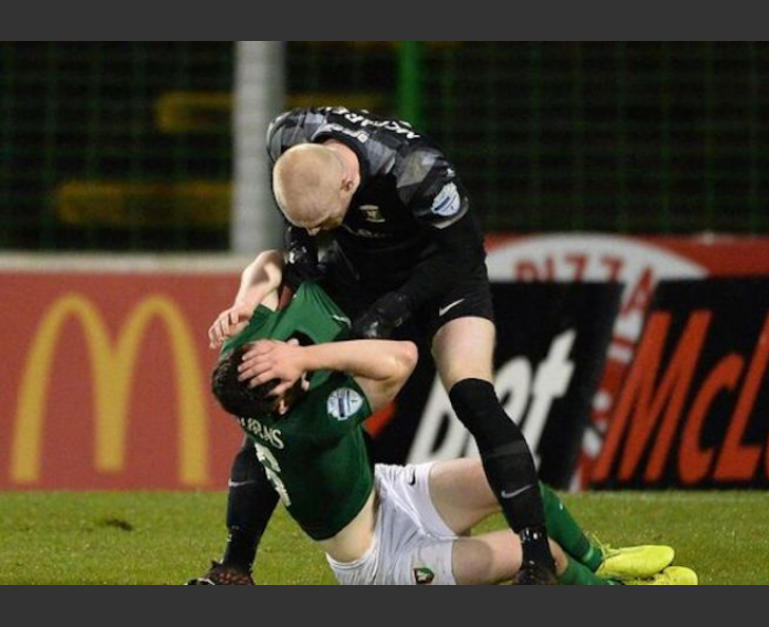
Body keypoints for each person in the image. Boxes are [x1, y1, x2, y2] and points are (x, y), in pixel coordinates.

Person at [198, 105, 672, 585]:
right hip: (364, 273)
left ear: (347, 183)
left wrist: (391, 309)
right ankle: (236, 565)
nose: (315, 233)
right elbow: (386, 351)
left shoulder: (416, 169)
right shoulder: (288, 136)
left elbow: (459, 253)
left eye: (322, 221)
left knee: (473, 397)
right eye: (304, 225)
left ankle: (540, 561)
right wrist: (301, 273)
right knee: (265, 400)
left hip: (443, 275)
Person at [198, 251, 696, 585]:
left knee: (510, 480)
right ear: (282, 404)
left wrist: (244, 303)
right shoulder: (310, 427)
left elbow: (269, 261)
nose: (288, 358)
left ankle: (604, 562)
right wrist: (305, 357)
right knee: (540, 553)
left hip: (385, 493)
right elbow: (402, 359)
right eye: (288, 372)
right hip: (380, 562)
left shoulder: (247, 364)